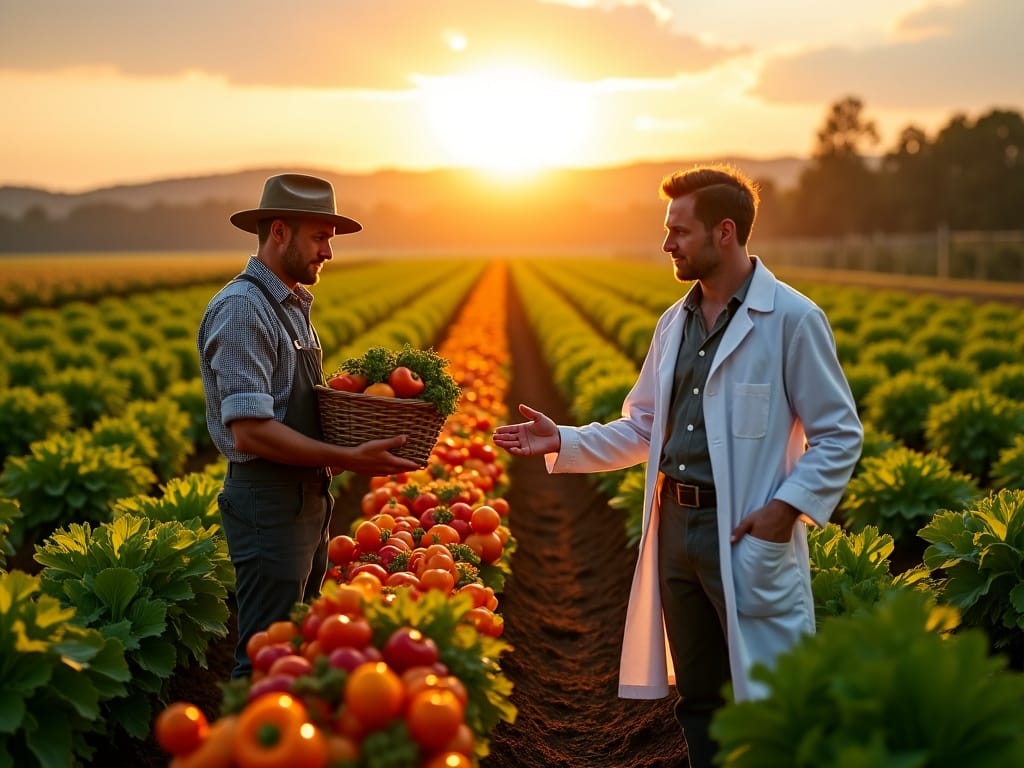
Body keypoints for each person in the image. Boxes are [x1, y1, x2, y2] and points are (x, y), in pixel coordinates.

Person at [492, 164, 863, 767]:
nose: (666, 244)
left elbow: (839, 434)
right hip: (675, 530)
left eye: (678, 231)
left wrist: (783, 511)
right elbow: (643, 428)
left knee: (768, 693)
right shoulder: (675, 323)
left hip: (744, 532)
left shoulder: (793, 320)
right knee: (698, 691)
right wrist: (562, 438)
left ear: (724, 232)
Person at [198, 173, 420, 678]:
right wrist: (347, 458)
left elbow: (294, 404)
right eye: (320, 237)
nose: (328, 252)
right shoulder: (242, 309)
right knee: (264, 657)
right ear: (279, 231)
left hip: (305, 500)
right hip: (268, 503)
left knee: (297, 648)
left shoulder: (292, 306)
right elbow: (250, 431)